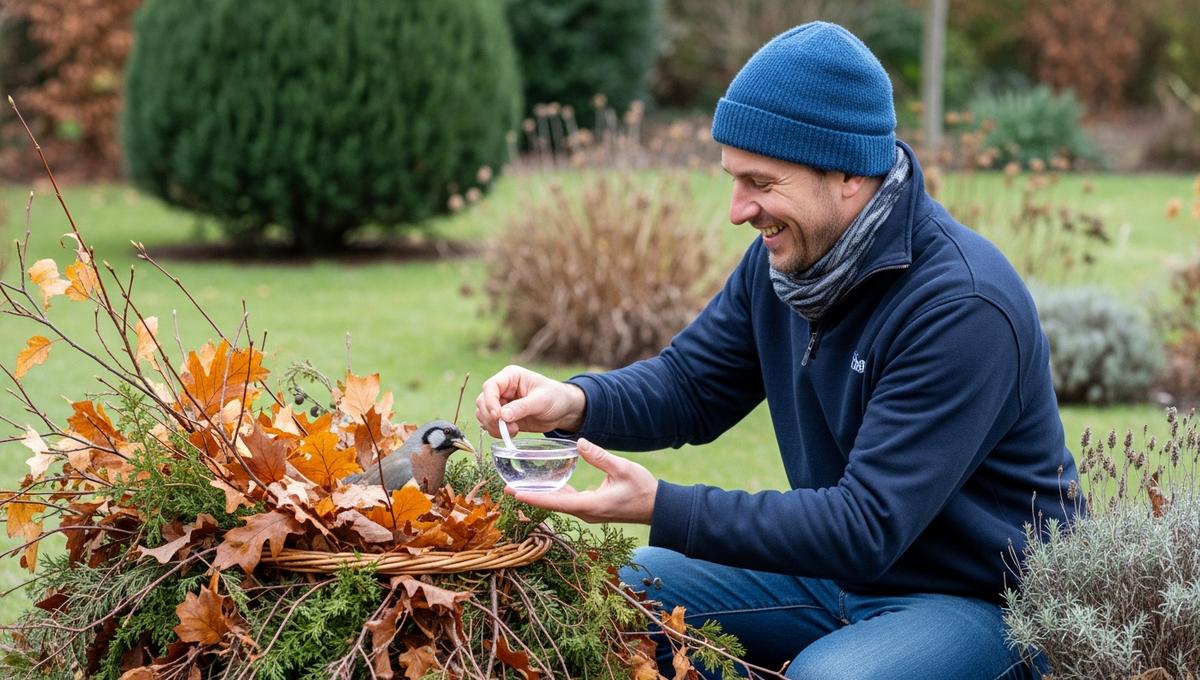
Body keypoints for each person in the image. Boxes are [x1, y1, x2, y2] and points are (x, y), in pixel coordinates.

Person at [476, 21, 1077, 680]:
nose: (738, 210)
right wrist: (573, 402)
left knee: (832, 678)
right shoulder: (787, 265)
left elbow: (866, 524)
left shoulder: (961, 305)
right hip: (831, 576)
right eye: (733, 179)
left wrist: (662, 505)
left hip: (984, 604)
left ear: (848, 173)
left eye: (760, 183)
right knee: (608, 594)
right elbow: (691, 387)